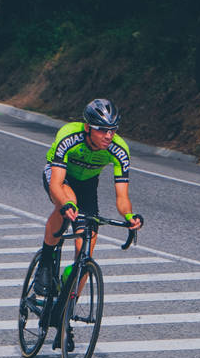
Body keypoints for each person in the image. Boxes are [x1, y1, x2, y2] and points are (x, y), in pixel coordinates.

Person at [33, 97, 143, 296]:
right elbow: (56, 184)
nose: (108, 136)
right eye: (102, 129)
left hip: (87, 185)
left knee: (86, 250)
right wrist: (65, 205)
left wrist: (129, 216)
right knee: (68, 204)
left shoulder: (119, 150)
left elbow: (122, 197)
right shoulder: (69, 136)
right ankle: (46, 262)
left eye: (113, 130)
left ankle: (67, 305)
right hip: (59, 176)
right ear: (87, 128)